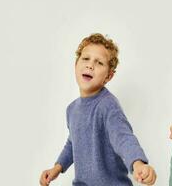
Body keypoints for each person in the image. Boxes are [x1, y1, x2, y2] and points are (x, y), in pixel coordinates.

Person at [40, 33, 156, 186]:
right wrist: (57, 168)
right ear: (76, 65)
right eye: (85, 59)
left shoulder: (108, 105)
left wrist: (138, 163)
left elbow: (123, 138)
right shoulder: (72, 109)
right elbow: (73, 143)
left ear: (108, 76)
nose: (90, 65)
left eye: (99, 62)